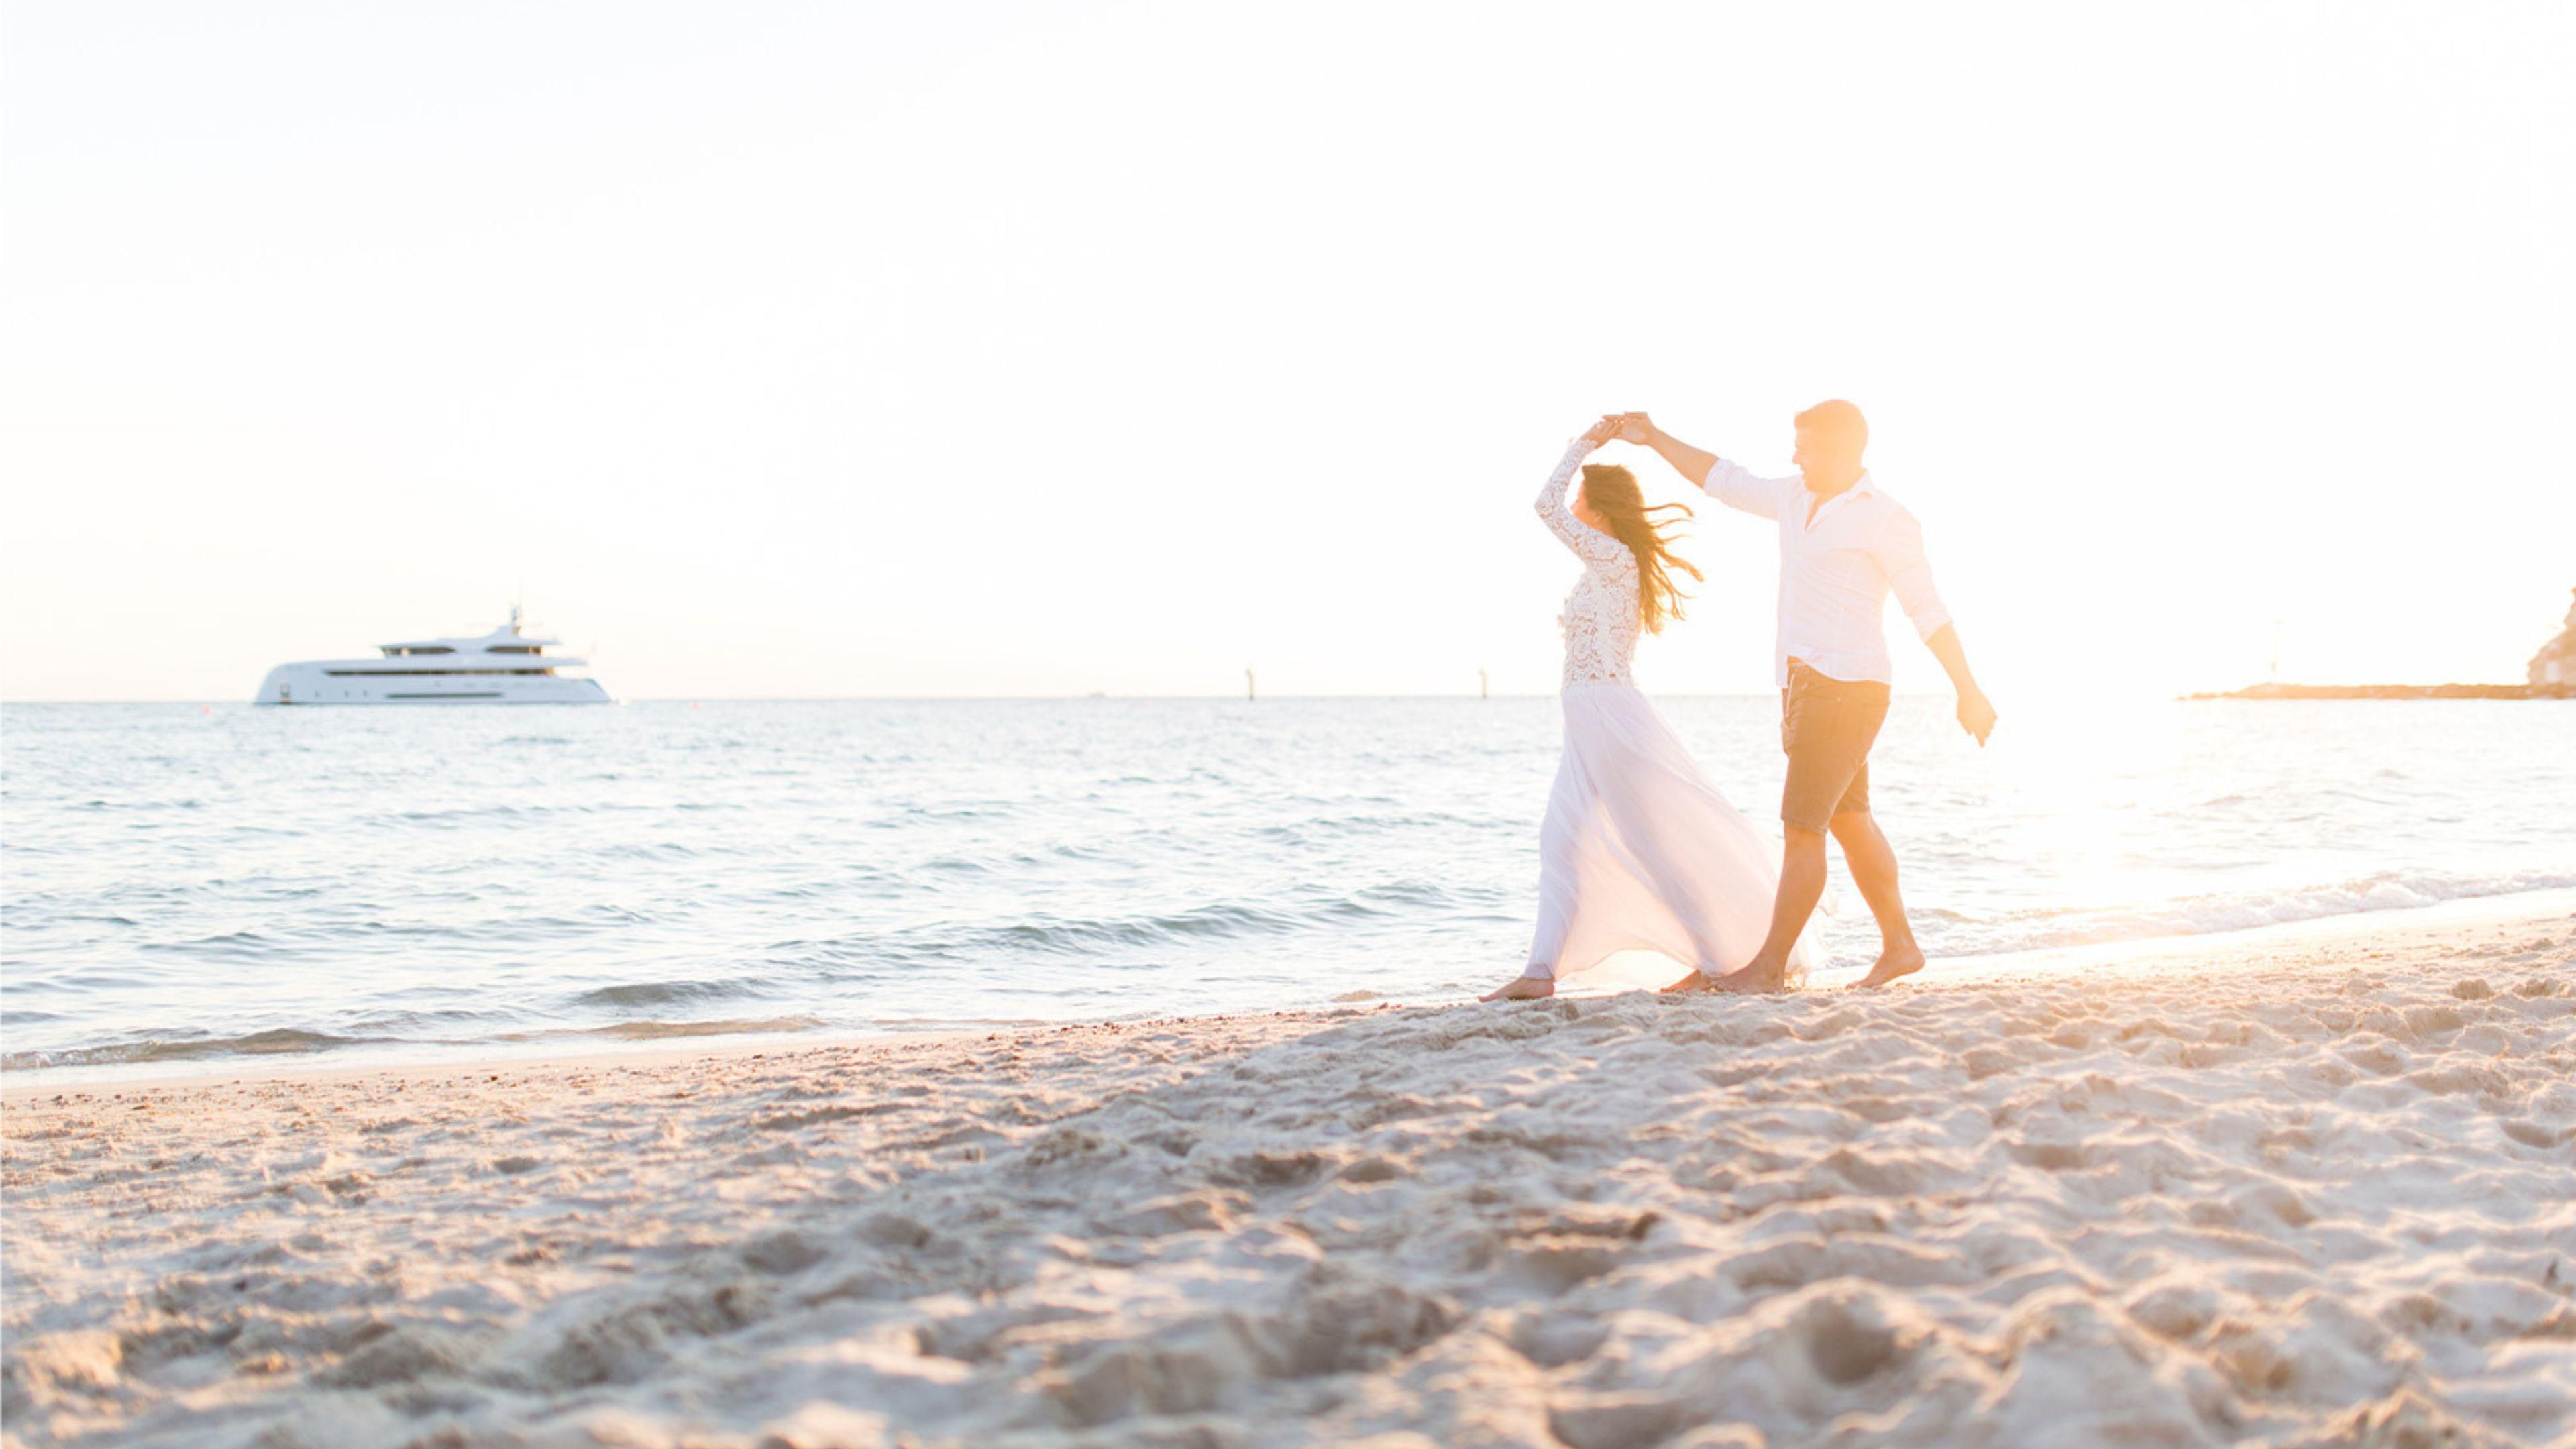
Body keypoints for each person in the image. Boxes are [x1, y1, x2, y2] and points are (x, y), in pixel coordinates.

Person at [1613, 402, 1994, 993]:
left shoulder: (1887, 520)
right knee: (1850, 819)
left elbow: (1928, 610)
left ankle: (1768, 967)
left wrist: (1968, 689)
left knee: (1802, 829)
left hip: (1847, 690)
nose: (1795, 457)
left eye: (1806, 447)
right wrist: (1654, 437)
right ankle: (1901, 946)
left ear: (1843, 451)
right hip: (1802, 688)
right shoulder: (1794, 499)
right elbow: (1725, 480)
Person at [1483, 419, 1817, 1001]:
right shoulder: (1605, 564)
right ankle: (1540, 974)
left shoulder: (1612, 558)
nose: (1575, 503)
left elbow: (1543, 505)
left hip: (1609, 718)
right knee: (1560, 841)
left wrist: (1584, 444)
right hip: (1589, 718)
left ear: (1600, 505)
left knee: (1655, 849)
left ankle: (1714, 961)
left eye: (1583, 494)